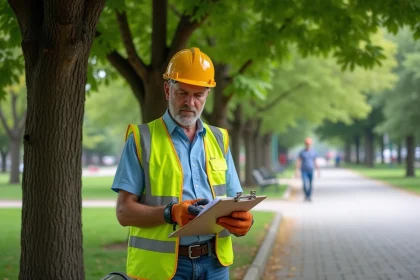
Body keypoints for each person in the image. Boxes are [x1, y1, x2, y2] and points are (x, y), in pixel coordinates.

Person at [111, 47, 254, 280]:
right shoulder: (140, 139)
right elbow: (124, 212)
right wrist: (171, 213)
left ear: (207, 95)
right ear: (168, 89)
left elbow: (235, 199)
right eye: (182, 93)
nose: (190, 102)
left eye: (198, 95)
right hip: (163, 270)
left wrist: (244, 221)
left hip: (215, 266)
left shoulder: (220, 139)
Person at [295, 137, 319, 202]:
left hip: (311, 170)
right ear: (305, 144)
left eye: (309, 144)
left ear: (311, 144)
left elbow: (315, 161)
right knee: (305, 184)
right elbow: (299, 161)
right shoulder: (302, 152)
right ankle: (306, 195)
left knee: (310, 184)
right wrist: (297, 171)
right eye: (307, 144)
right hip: (304, 171)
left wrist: (318, 170)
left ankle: (309, 196)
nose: (308, 145)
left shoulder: (313, 152)